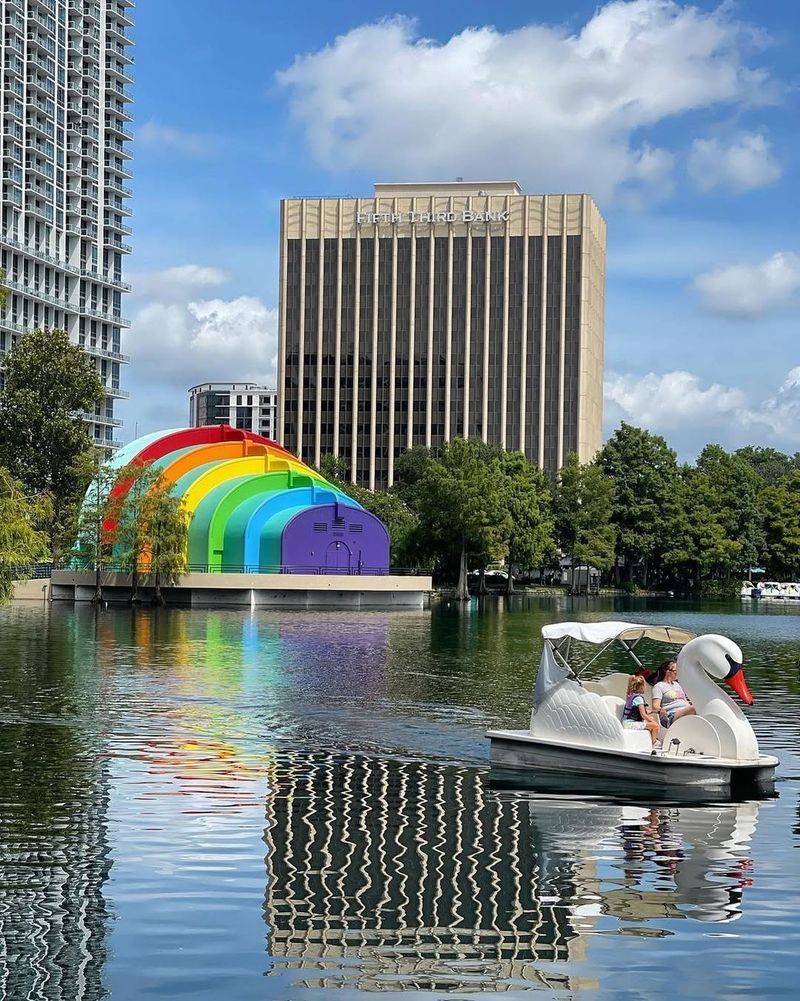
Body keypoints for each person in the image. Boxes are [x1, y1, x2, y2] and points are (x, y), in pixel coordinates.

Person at [651, 659, 696, 727]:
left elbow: (685, 701)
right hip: (670, 715)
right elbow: (655, 706)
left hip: (685, 712)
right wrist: (661, 710)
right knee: (695, 707)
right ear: (668, 671)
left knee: (699, 707)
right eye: (676, 670)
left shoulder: (677, 684)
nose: (678, 672)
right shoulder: (659, 686)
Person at [622, 675, 660, 748]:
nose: (645, 688)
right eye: (644, 686)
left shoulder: (630, 695)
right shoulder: (638, 699)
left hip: (626, 722)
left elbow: (641, 712)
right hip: (631, 724)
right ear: (641, 687)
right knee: (655, 726)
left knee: (651, 719)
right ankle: (653, 743)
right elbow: (643, 715)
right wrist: (653, 722)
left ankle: (652, 739)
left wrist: (654, 711)